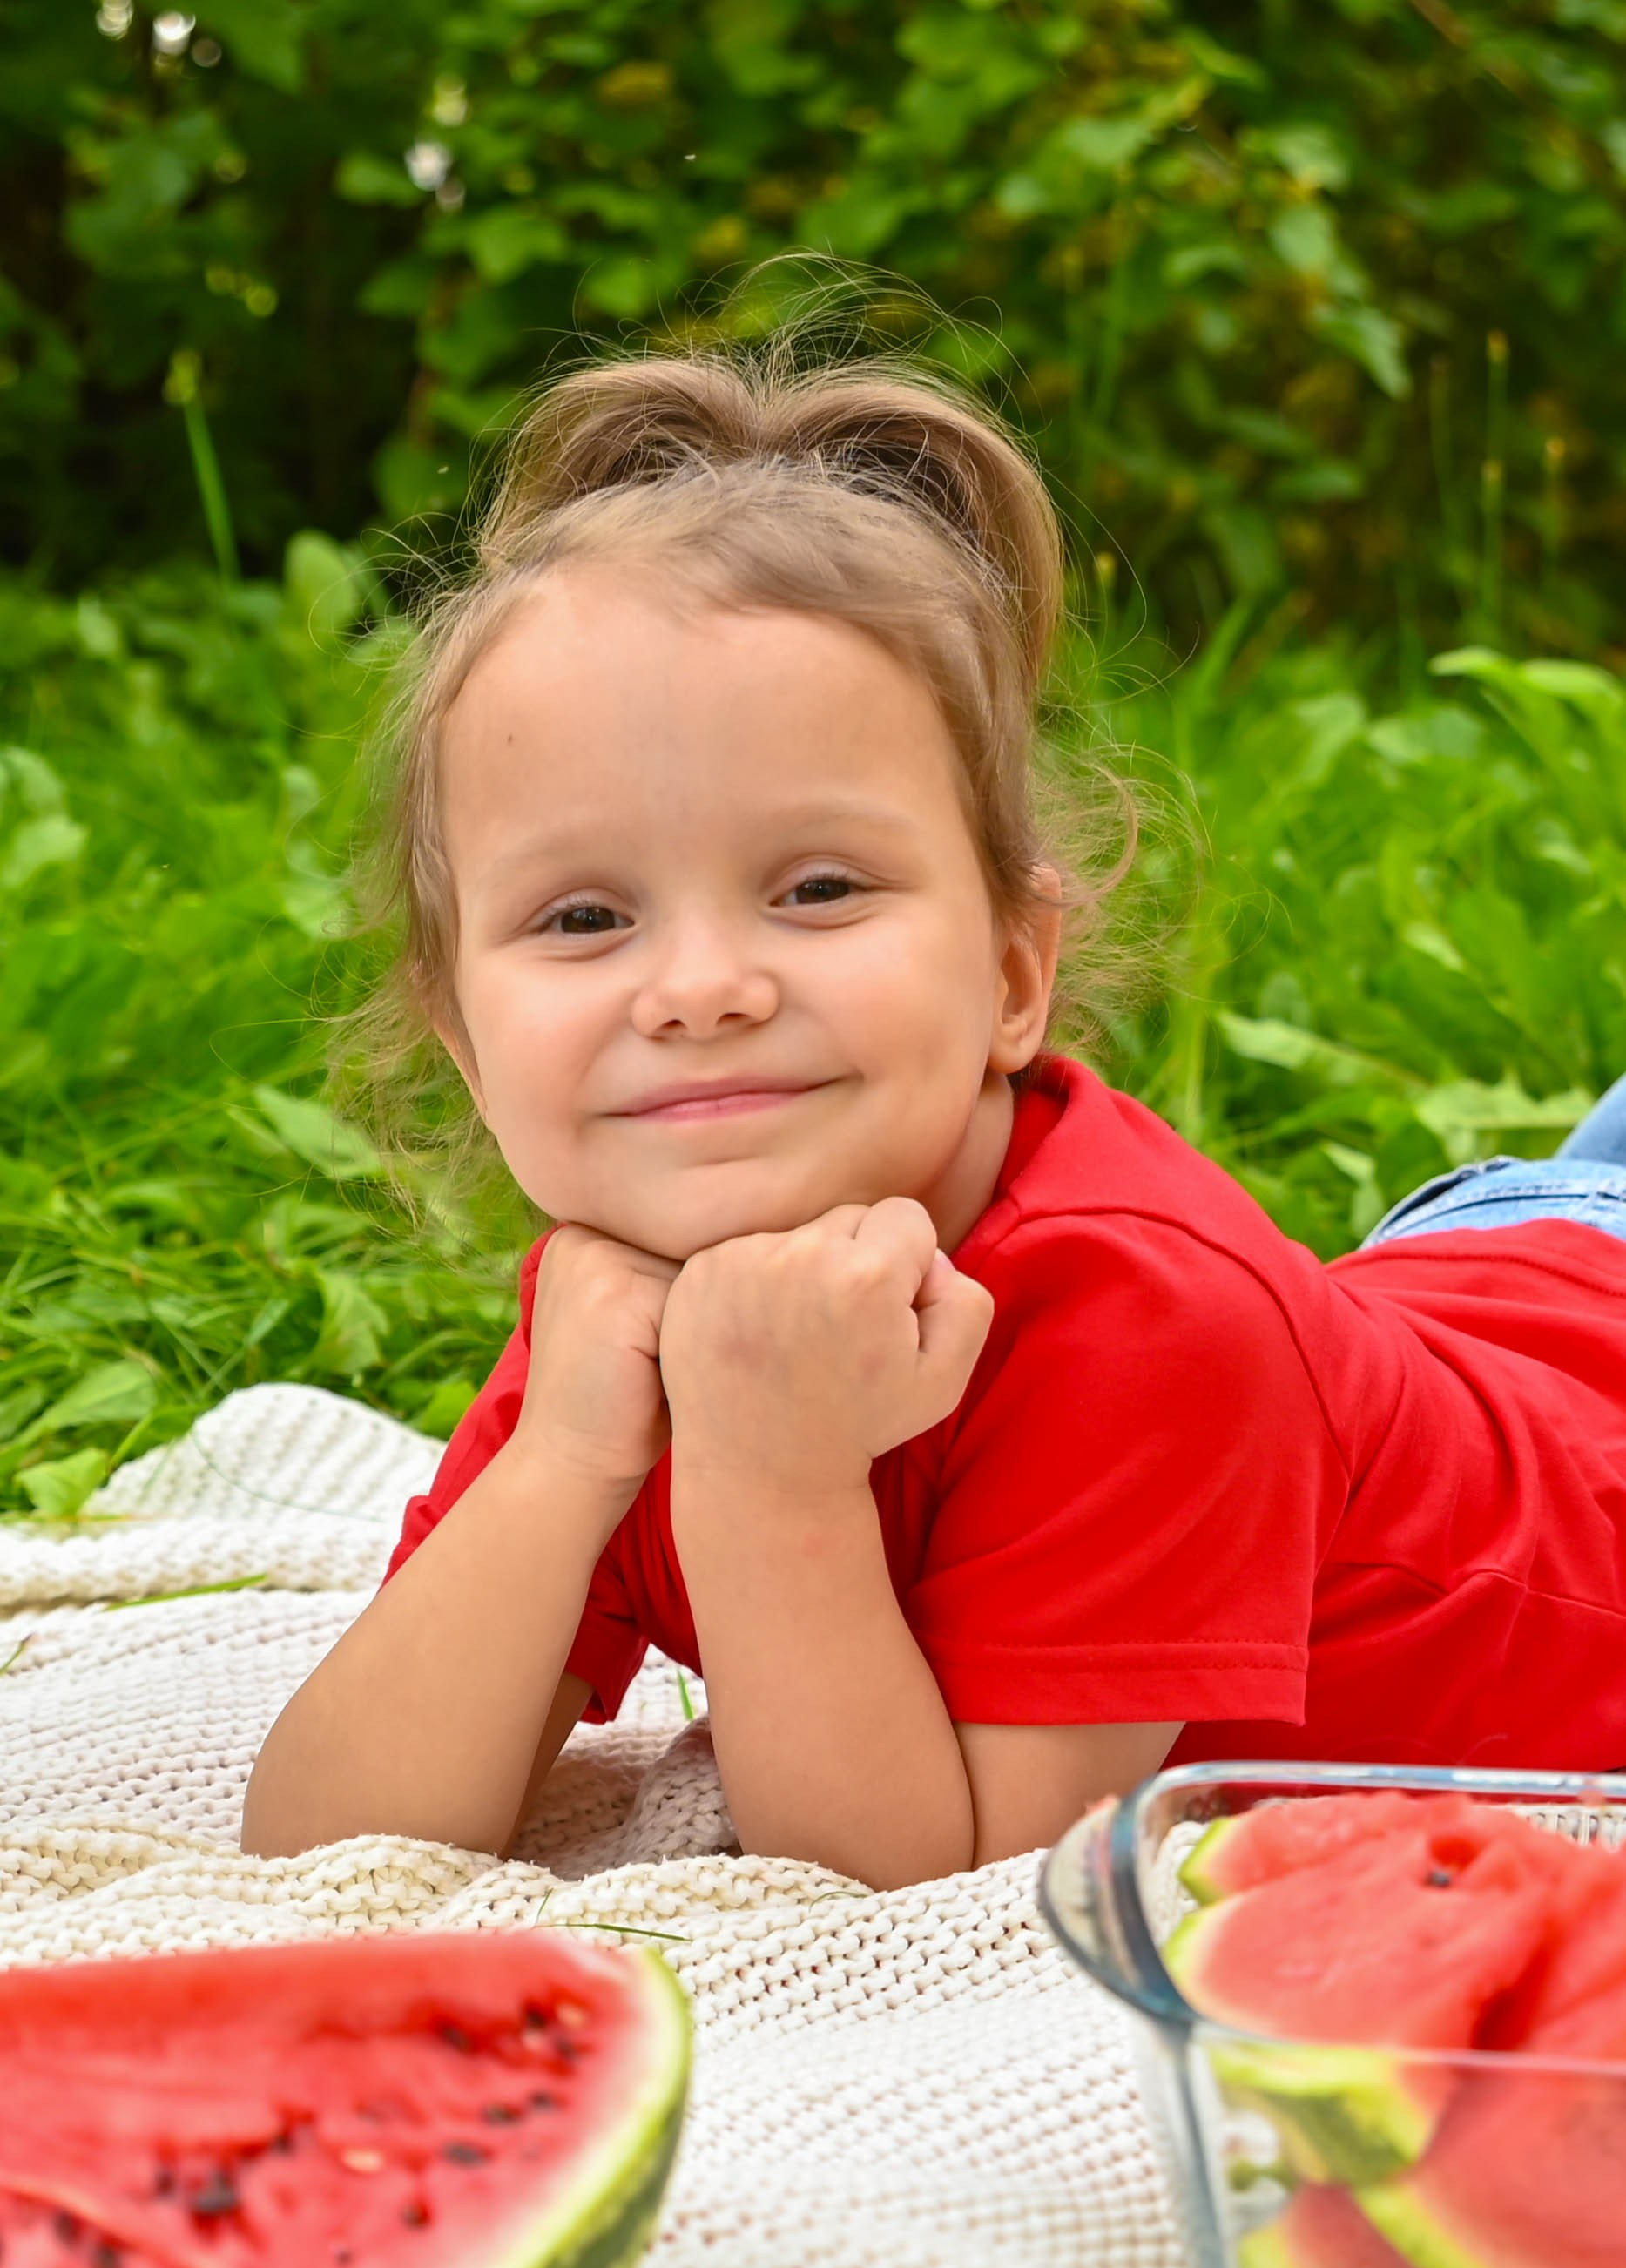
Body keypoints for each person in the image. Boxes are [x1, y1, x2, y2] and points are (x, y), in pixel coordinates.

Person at [240, 348, 1626, 1887]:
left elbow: (938, 1887)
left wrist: (776, 1475)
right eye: (582, 917)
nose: (699, 988)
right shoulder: (627, 1299)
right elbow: (321, 1843)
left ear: (1016, 968)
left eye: (818, 888)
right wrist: (563, 1457)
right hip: (1473, 1294)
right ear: (463, 1034)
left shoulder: (1147, 1321)